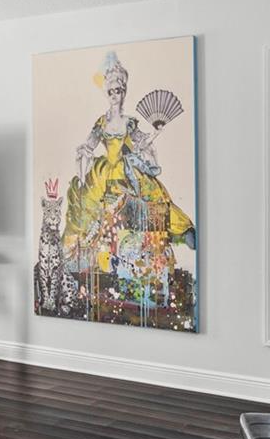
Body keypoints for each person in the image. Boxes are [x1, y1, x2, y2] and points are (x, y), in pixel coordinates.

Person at [63, 51, 195, 279]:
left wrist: (154, 134)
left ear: (124, 92)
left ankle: (182, 229)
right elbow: (90, 144)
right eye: (112, 91)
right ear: (107, 92)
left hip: (127, 170)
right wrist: (83, 153)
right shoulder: (101, 123)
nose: (116, 95)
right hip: (105, 173)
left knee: (154, 198)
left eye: (119, 90)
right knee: (90, 213)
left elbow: (141, 141)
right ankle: (84, 259)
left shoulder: (129, 122)